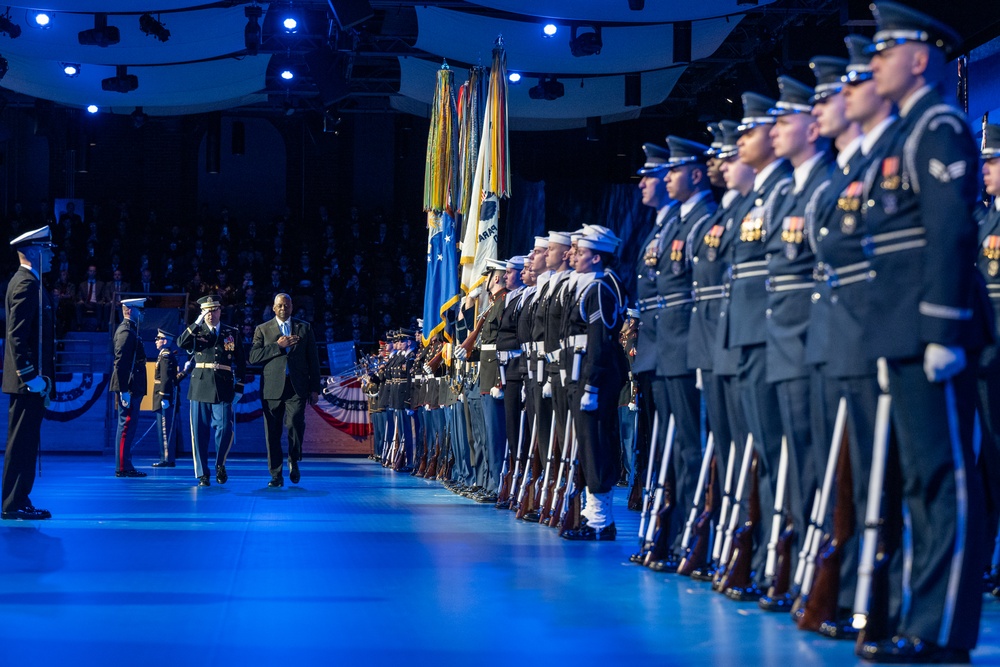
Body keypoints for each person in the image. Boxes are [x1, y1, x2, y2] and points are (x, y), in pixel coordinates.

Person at [858, 2, 991, 662]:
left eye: (885, 52)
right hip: (902, 330)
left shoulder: (937, 126)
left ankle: (944, 631)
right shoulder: (903, 131)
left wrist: (942, 329)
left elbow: (950, 233)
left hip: (930, 330)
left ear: (918, 59)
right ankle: (925, 619)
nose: (874, 63)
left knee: (946, 480)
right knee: (921, 481)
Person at [2, 226, 55, 520]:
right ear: (34, 252)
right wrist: (29, 375)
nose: (52, 256)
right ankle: (13, 503)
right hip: (27, 383)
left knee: (25, 442)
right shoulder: (26, 284)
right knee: (21, 442)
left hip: (31, 382)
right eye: (48, 250)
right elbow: (18, 337)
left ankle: (18, 499)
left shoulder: (31, 282)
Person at [249, 293, 321, 487]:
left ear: (292, 307)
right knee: (272, 432)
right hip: (272, 389)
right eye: (280, 305)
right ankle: (276, 475)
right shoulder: (262, 329)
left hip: (296, 387)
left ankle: (294, 459)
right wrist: (277, 346)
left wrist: (315, 389)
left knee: (296, 422)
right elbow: (253, 357)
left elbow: (313, 361)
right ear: (274, 308)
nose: (283, 309)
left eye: (286, 305)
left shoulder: (304, 328)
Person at [177, 294, 247, 487]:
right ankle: (202, 473)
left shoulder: (231, 332)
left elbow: (241, 361)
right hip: (199, 385)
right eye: (206, 311)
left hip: (223, 385)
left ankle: (220, 464)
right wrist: (196, 321)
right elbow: (181, 343)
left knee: (226, 428)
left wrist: (239, 386)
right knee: (199, 433)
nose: (210, 314)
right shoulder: (196, 332)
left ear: (219, 311)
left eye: (213, 310)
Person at [110, 297, 148, 478]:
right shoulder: (126, 332)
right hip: (130, 386)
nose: (142, 314)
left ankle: (126, 463)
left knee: (129, 427)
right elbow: (121, 364)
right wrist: (123, 389)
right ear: (130, 311)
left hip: (133, 385)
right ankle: (122, 467)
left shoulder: (131, 330)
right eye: (139, 310)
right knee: (125, 426)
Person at [152, 329, 179, 468]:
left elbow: (166, 378)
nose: (156, 341)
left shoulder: (165, 356)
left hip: (162, 396)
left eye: (158, 338)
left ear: (165, 341)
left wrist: (164, 396)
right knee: (164, 428)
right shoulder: (164, 355)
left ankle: (166, 459)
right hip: (162, 395)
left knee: (164, 429)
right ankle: (167, 458)